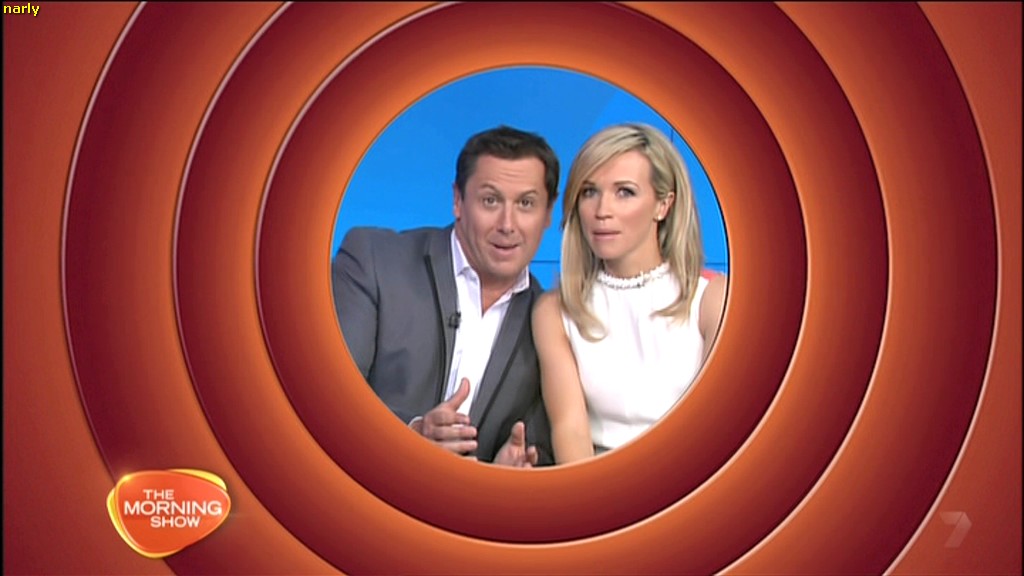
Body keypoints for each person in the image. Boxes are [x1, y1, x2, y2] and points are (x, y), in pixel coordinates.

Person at [332, 125, 558, 466]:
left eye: (526, 204)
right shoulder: (374, 261)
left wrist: (509, 472)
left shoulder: (550, 321)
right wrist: (412, 433)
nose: (507, 224)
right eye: (490, 200)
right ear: (457, 201)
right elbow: (327, 393)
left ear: (548, 214)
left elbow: (541, 450)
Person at [532, 123, 727, 464]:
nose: (602, 211)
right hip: (595, 486)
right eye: (589, 192)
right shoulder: (554, 311)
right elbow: (570, 431)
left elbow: (721, 429)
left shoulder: (712, 298)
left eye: (624, 192)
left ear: (663, 205)